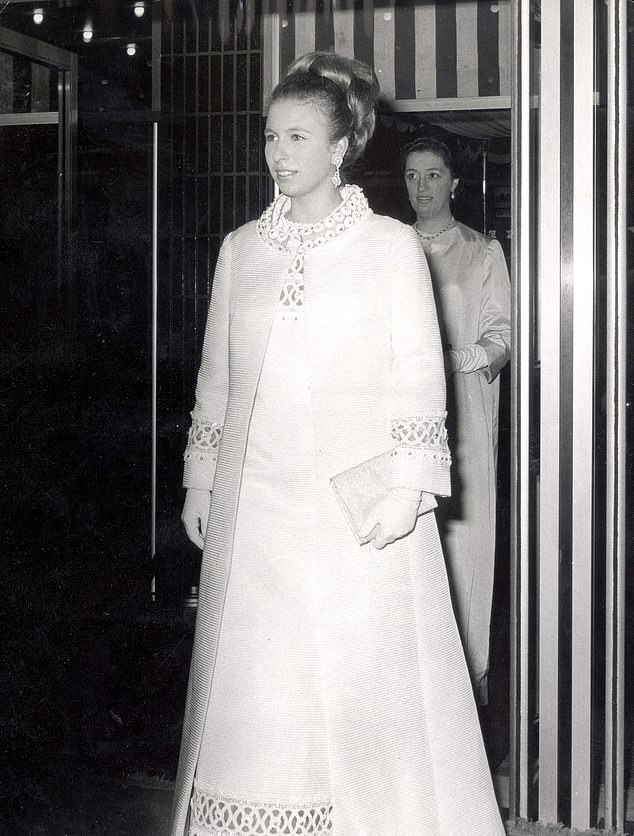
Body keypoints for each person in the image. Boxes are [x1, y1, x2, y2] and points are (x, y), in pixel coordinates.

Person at [171, 53, 505, 836]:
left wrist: (405, 490)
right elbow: (216, 380)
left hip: (354, 509)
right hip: (255, 512)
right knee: (261, 681)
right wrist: (198, 479)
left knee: (358, 686)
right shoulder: (239, 251)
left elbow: (420, 378)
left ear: (339, 148)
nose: (279, 154)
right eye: (269, 136)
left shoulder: (390, 247)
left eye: (297, 136)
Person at [403, 136, 512, 706]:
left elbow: (503, 336)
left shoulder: (482, 251)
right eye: (413, 176)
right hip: (400, 414)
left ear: (454, 183)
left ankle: (467, 697)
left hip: (463, 417)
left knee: (464, 548)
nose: (422, 187)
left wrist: (463, 357)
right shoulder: (390, 246)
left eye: (433, 176)